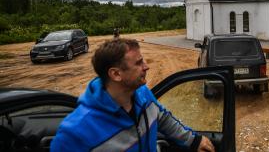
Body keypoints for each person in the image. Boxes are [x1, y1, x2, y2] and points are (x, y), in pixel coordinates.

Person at [51, 38, 215, 152]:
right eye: (138, 63)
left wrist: (193, 141)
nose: (146, 67)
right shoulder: (75, 133)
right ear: (116, 74)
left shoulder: (143, 94)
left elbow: (162, 118)